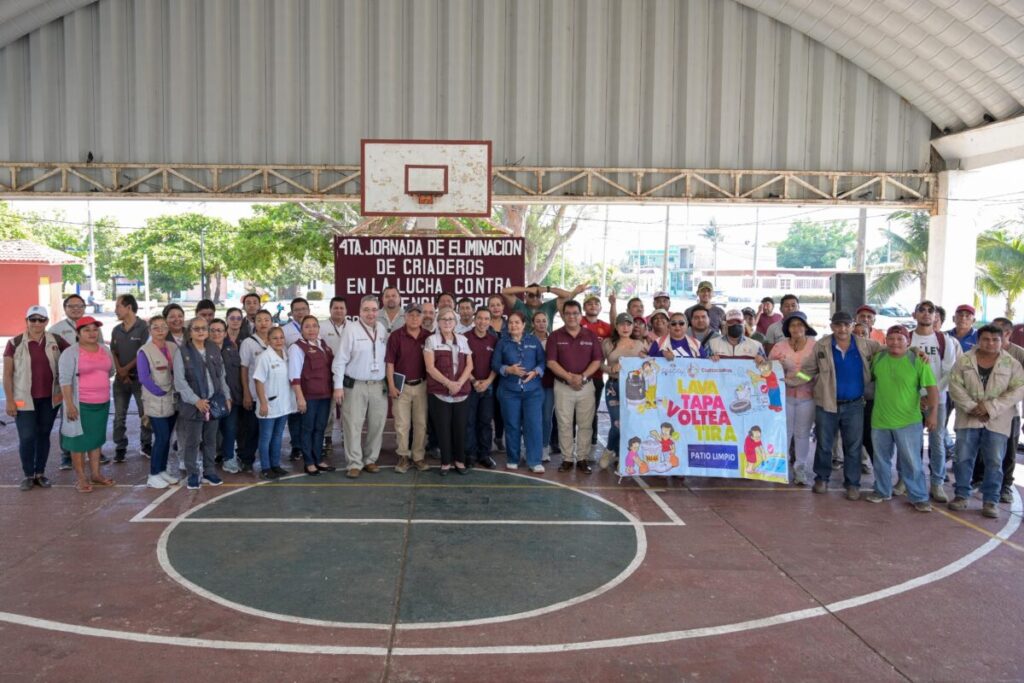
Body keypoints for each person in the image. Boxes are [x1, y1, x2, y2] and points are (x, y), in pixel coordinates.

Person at [798, 311, 882, 500]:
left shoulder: (866, 345)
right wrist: (788, 380)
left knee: (853, 446)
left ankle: (852, 483)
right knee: (824, 444)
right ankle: (822, 478)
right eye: (838, 325)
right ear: (832, 326)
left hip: (854, 405)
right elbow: (808, 371)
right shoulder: (822, 346)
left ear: (853, 325)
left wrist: (913, 351)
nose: (842, 329)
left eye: (846, 325)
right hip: (826, 405)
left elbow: (890, 350)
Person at [948, 325, 1024, 519]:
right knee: (963, 458)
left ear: (1002, 341)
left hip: (998, 420)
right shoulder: (964, 360)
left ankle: (990, 500)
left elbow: (1017, 390)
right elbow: (955, 385)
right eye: (986, 339)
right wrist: (973, 407)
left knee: (995, 461)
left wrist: (990, 408)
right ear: (978, 340)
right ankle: (961, 495)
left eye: (995, 340)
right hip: (968, 417)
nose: (990, 343)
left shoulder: (1012, 364)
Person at [865, 326, 938, 512]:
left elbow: (932, 388)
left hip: (908, 421)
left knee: (912, 461)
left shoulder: (917, 360)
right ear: (886, 340)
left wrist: (933, 413)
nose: (895, 342)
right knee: (881, 459)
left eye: (900, 338)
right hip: (880, 420)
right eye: (891, 338)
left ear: (908, 341)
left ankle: (919, 497)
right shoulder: (879, 358)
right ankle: (882, 491)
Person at [4, 306, 68, 490]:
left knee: (43, 435)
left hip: (50, 399)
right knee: (26, 436)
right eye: (33, 319)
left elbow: (73, 356)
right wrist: (9, 400)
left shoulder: (56, 340)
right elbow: (7, 375)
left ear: (47, 322)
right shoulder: (14, 343)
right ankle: (28, 475)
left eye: (41, 319)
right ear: (27, 321)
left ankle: (40, 473)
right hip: (23, 400)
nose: (37, 323)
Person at [906, 300, 961, 502]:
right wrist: (917, 394)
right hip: (910, 398)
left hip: (938, 400)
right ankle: (908, 479)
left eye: (931, 311)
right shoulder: (907, 338)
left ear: (936, 316)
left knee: (937, 442)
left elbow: (949, 372)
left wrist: (931, 396)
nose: (927, 314)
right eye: (922, 310)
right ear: (915, 314)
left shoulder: (944, 340)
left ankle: (937, 483)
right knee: (911, 441)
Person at [332, 295, 389, 478]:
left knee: (377, 425)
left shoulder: (381, 329)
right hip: (355, 386)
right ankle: (354, 463)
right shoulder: (351, 330)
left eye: (374, 309)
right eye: (366, 310)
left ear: (378, 311)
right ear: (360, 312)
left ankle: (370, 460)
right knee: (353, 425)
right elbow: (339, 360)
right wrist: (338, 386)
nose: (370, 313)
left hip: (378, 386)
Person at [58, 316, 116, 493]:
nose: (92, 333)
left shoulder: (105, 350)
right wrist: (70, 405)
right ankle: (81, 477)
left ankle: (96, 474)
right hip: (80, 404)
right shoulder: (70, 353)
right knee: (79, 442)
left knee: (96, 439)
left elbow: (110, 371)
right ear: (78, 333)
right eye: (86, 330)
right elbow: (65, 381)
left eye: (94, 329)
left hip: (102, 402)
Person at [547, 300, 604, 473]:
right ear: (563, 315)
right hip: (563, 386)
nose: (571, 316)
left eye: (575, 313)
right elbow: (551, 362)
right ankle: (566, 459)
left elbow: (597, 360)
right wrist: (569, 377)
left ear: (581, 315)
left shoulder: (590, 335)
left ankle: (582, 458)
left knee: (586, 425)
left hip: (586, 386)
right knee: (564, 424)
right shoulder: (555, 336)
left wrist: (583, 376)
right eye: (568, 313)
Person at [173, 317, 230, 490]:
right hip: (193, 405)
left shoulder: (213, 348)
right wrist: (195, 400)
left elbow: (221, 376)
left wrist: (227, 397)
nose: (200, 331)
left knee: (210, 440)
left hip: (213, 403)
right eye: (196, 328)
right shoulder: (182, 352)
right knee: (192, 441)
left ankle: (209, 472)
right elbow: (180, 381)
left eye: (204, 328)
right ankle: (192, 474)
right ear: (189, 332)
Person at [976, 318, 1024, 503]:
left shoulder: (1017, 354)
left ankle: (1005, 486)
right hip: (980, 411)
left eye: (998, 332)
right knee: (981, 446)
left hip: (1009, 412)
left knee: (1008, 450)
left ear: (1008, 334)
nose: (992, 338)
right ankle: (979, 479)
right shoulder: (979, 351)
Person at [492, 311, 546, 472]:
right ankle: (513, 458)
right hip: (509, 391)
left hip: (533, 392)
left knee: (534, 425)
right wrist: (508, 369)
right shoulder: (502, 342)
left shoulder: (534, 340)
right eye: (510, 323)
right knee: (512, 425)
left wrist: (535, 371)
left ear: (523, 325)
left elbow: (543, 362)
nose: (513, 325)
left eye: (517, 323)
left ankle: (535, 461)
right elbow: (495, 364)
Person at [424, 308, 475, 475]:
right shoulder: (431, 340)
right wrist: (448, 383)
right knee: (442, 428)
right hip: (439, 392)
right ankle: (445, 462)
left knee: (460, 428)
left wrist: (459, 383)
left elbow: (469, 365)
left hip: (462, 392)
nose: (447, 322)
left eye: (450, 319)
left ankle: (459, 461)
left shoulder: (463, 339)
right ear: (438, 322)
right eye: (443, 319)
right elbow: (430, 368)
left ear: (455, 322)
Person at [769, 312, 817, 485]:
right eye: (792, 325)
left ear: (805, 327)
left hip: (808, 396)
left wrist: (792, 378)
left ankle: (800, 469)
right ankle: (780, 467)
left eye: (800, 325)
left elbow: (815, 372)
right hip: (783, 398)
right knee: (785, 432)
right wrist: (777, 367)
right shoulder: (779, 347)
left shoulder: (815, 346)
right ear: (787, 329)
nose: (796, 328)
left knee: (803, 433)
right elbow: (768, 370)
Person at [386, 303, 431, 474]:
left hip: (422, 386)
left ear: (422, 318)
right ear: (405, 317)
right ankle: (403, 456)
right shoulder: (396, 336)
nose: (414, 318)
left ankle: (418, 457)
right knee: (401, 424)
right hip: (401, 387)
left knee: (421, 424)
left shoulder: (428, 336)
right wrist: (391, 385)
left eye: (417, 315)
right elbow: (389, 363)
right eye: (410, 315)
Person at [599, 312, 648, 470]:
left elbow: (650, 365)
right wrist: (610, 368)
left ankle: (624, 454)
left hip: (634, 388)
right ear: (616, 326)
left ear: (633, 326)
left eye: (629, 324)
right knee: (617, 423)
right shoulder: (607, 343)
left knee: (631, 423)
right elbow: (598, 364)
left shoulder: (640, 344)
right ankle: (609, 449)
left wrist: (645, 359)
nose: (625, 327)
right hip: (614, 386)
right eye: (622, 324)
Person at [288, 315, 335, 476]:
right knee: (307, 428)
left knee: (320, 427)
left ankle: (318, 458)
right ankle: (309, 462)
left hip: (325, 395)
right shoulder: (297, 348)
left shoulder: (323, 344)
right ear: (301, 329)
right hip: (309, 396)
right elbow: (294, 376)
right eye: (307, 326)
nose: (312, 329)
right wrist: (300, 398)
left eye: (315, 326)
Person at [137, 315, 179, 488]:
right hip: (156, 399)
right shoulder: (144, 351)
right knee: (161, 437)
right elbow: (144, 377)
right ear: (150, 330)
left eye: (163, 327)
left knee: (167, 437)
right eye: (156, 327)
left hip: (173, 399)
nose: (160, 330)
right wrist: (160, 392)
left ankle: (162, 470)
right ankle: (153, 474)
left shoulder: (173, 347)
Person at [109, 294, 152, 463]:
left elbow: (143, 352)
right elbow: (114, 351)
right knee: (119, 415)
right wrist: (120, 371)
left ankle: (146, 444)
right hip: (120, 381)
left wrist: (126, 370)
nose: (115, 310)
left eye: (118, 306)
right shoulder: (116, 330)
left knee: (145, 413)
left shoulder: (144, 328)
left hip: (140, 380)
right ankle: (120, 447)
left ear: (128, 307)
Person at [252, 327, 295, 480]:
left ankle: (275, 465)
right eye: (275, 338)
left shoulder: (286, 355)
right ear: (268, 341)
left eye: (281, 338)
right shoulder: (264, 357)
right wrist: (263, 403)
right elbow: (258, 381)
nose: (279, 341)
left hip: (283, 404)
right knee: (266, 437)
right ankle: (265, 467)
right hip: (269, 404)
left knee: (278, 436)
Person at [238, 309, 273, 473]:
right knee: (251, 429)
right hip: (253, 394)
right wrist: (246, 392)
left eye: (267, 320)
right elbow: (244, 369)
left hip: (272, 395)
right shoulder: (248, 343)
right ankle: (246, 459)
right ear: (255, 323)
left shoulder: (277, 341)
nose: (263, 323)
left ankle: (271, 461)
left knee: (268, 431)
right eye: (259, 320)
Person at [464, 307, 498, 469]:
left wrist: (488, 382)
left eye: (486, 319)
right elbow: (461, 363)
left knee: (485, 422)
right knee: (469, 422)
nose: (482, 322)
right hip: (469, 387)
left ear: (490, 321)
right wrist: (473, 381)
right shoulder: (464, 338)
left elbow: (496, 365)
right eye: (479, 318)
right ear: (474, 319)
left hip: (488, 388)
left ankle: (484, 454)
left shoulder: (494, 340)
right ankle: (470, 454)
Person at [209, 318, 243, 474]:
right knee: (211, 431)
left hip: (231, 398)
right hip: (211, 399)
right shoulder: (202, 351)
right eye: (213, 330)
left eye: (220, 330)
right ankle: (210, 460)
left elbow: (238, 375)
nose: (216, 333)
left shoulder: (233, 349)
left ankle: (229, 458)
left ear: (225, 333)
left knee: (230, 429)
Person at [282, 297, 311, 461]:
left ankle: (309, 444)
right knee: (295, 413)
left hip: (312, 378)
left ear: (308, 310)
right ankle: (297, 446)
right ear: (292, 313)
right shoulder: (285, 331)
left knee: (309, 412)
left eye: (303, 309)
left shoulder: (314, 327)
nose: (301, 312)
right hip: (294, 377)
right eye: (297, 310)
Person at [581, 294, 612, 447]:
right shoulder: (577, 322)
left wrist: (613, 304)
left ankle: (592, 440)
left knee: (592, 409)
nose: (593, 306)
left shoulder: (605, 327)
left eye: (596, 303)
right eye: (589, 303)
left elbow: (618, 328)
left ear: (600, 307)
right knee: (573, 409)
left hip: (597, 375)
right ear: (584, 307)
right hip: (577, 374)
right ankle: (570, 439)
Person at [502, 282, 588, 334]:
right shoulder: (519, 305)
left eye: (538, 295)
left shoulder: (549, 306)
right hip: (524, 344)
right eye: (531, 295)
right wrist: (527, 289)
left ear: (542, 297)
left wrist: (547, 289)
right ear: (525, 297)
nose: (535, 298)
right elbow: (504, 291)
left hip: (547, 343)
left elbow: (568, 295)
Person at [320, 296, 348, 455]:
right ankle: (328, 438)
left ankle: (346, 437)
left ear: (346, 310)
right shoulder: (322, 327)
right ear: (330, 309)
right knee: (328, 410)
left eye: (341, 308)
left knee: (348, 409)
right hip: (326, 375)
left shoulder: (353, 326)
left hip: (347, 375)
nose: (338, 310)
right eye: (335, 308)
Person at [534, 310, 557, 460]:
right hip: (531, 385)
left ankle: (544, 448)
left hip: (549, 385)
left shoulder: (554, 339)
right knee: (531, 418)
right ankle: (531, 446)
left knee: (547, 417)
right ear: (532, 323)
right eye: (538, 321)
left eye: (544, 320)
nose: (541, 324)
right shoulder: (527, 339)